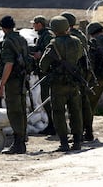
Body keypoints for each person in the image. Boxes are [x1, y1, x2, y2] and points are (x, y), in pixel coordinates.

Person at [40, 16, 83, 151]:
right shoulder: (77, 42)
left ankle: (64, 143)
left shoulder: (53, 44)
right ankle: (77, 142)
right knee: (75, 111)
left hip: (58, 84)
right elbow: (81, 56)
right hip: (73, 82)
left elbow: (43, 65)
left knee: (58, 113)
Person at [60, 11, 94, 141]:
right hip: (84, 72)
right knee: (84, 103)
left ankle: (78, 133)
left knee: (75, 106)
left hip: (75, 73)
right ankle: (88, 131)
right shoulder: (81, 35)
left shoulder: (71, 37)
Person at [0, 15, 28, 154]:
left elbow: (8, 64)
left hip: (13, 81)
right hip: (22, 79)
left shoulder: (8, 42)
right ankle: (21, 142)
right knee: (21, 110)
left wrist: (1, 84)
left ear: (3, 28)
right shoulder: (21, 39)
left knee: (15, 111)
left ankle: (18, 144)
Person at [30, 15, 56, 135]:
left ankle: (53, 125)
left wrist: (40, 55)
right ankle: (52, 124)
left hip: (48, 72)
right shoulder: (43, 35)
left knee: (48, 98)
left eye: (35, 24)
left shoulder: (48, 36)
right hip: (45, 72)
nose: (33, 26)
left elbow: (49, 52)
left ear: (39, 24)